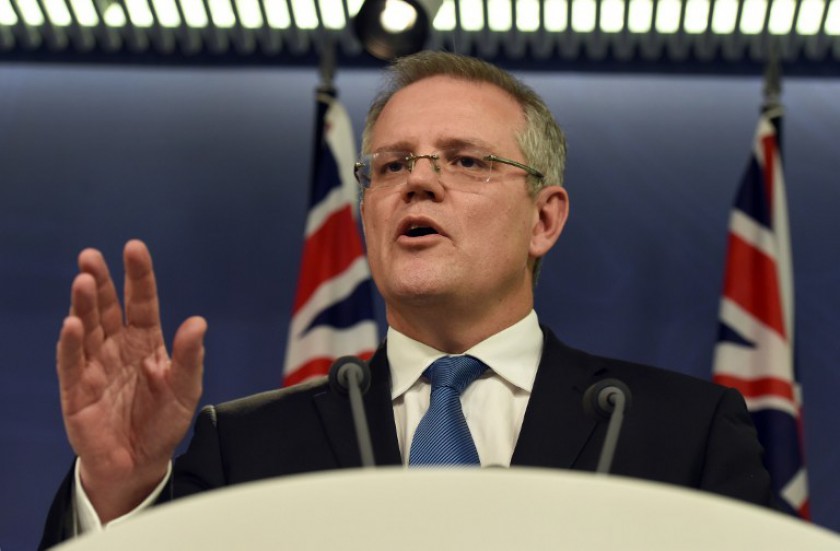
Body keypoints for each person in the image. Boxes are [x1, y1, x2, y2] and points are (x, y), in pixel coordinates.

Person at [39, 51, 772, 548]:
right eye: (391, 166)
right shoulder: (248, 447)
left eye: (466, 160)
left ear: (544, 218)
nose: (418, 182)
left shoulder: (683, 434)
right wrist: (120, 487)